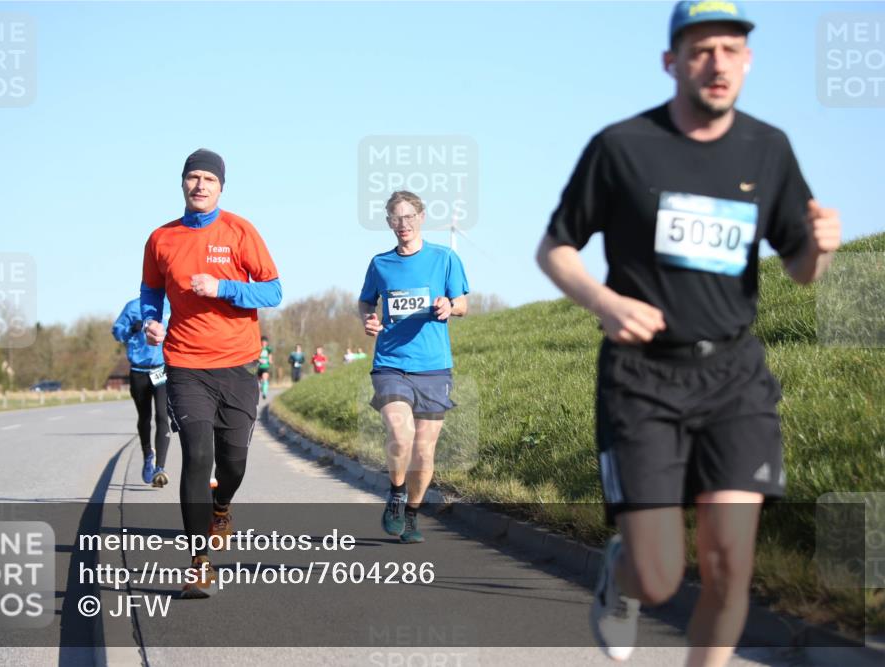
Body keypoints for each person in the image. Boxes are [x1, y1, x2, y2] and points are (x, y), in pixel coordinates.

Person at [535, 3, 841, 664]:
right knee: (660, 577)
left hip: (734, 379)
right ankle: (622, 573)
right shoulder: (622, 146)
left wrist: (819, 248)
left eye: (731, 49)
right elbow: (555, 248)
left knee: (730, 565)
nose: (718, 63)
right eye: (701, 50)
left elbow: (800, 267)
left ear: (749, 60)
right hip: (642, 379)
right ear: (672, 62)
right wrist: (604, 300)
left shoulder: (769, 148)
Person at [141, 148, 282, 599]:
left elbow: (274, 290)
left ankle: (222, 505)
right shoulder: (161, 239)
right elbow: (149, 292)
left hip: (239, 364)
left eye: (208, 179)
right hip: (185, 364)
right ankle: (199, 563)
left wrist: (222, 287)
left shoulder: (240, 231)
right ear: (182, 183)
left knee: (233, 463)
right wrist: (151, 319)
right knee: (197, 457)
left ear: (221, 187)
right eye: (192, 177)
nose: (199, 185)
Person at [359, 190, 469, 544]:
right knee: (400, 432)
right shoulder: (380, 264)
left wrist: (448, 307)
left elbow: (463, 303)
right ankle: (395, 493)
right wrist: (369, 320)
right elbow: (365, 303)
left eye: (409, 217)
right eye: (395, 218)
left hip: (434, 367)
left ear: (421, 217)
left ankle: (411, 515)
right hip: (390, 362)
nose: (402, 224)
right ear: (388, 222)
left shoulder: (445, 258)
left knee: (424, 449)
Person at [112, 296, 171, 488]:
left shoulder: (171, 303)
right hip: (138, 371)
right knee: (144, 417)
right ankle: (148, 456)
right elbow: (117, 331)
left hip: (160, 369)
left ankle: (160, 468)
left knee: (163, 416)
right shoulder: (133, 307)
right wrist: (131, 329)